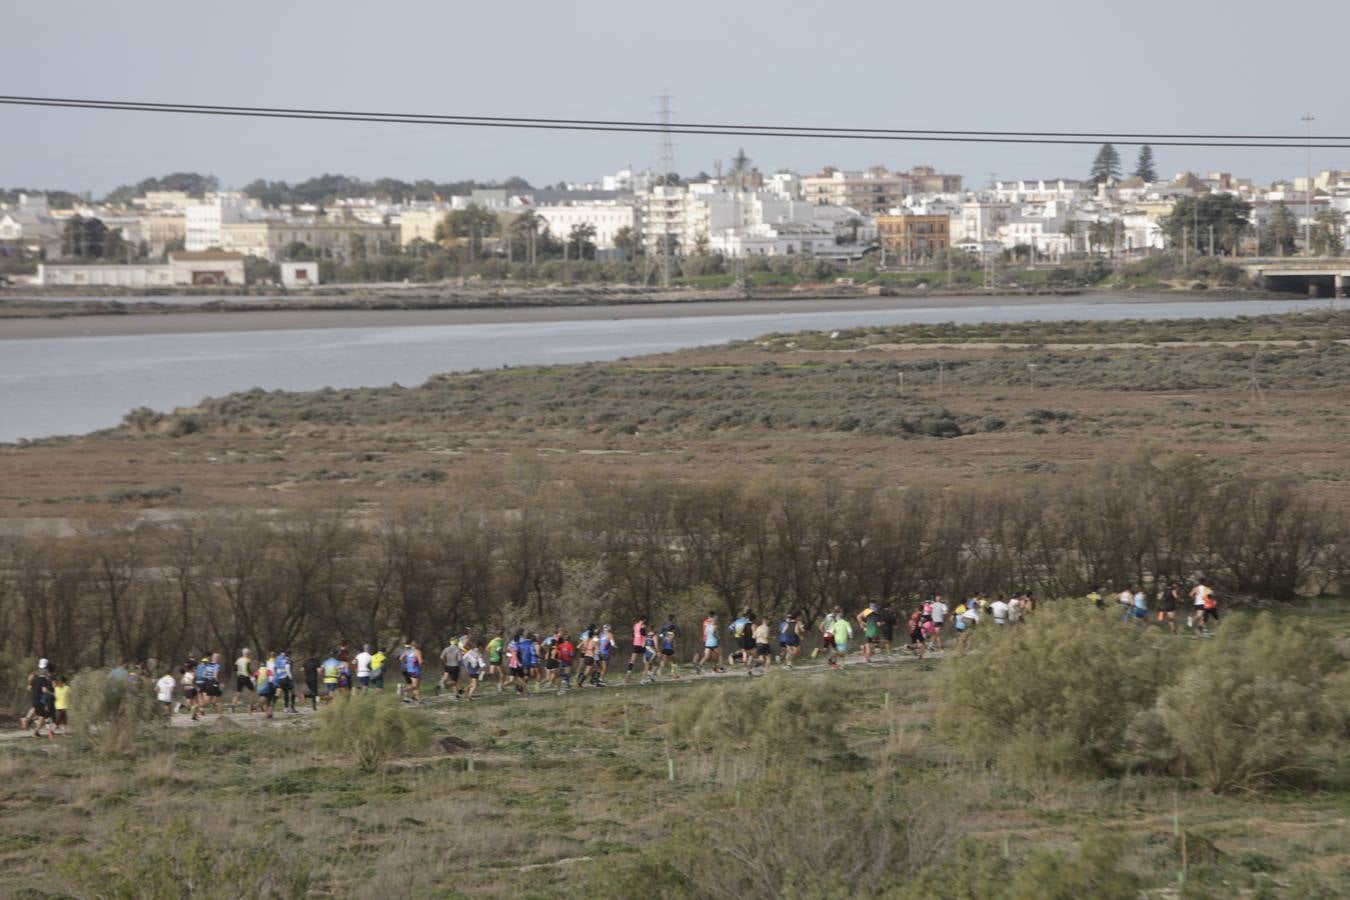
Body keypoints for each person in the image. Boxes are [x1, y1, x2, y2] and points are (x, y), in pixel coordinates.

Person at [656, 615, 681, 679]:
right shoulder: (675, 627)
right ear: (673, 619)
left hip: (664, 646)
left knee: (664, 660)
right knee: (673, 661)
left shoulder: (664, 626)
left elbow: (660, 634)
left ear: (668, 619)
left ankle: (659, 670)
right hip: (670, 648)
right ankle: (674, 673)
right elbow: (679, 635)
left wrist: (663, 637)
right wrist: (675, 637)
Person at [626, 616, 648, 683]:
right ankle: (643, 678)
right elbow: (643, 634)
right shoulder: (643, 626)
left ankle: (628, 674)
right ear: (643, 620)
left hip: (636, 644)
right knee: (646, 662)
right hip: (642, 645)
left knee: (632, 660)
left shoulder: (635, 625)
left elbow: (633, 634)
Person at [231, 648, 255, 713]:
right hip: (245, 677)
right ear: (247, 654)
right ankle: (251, 705)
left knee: (238, 692)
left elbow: (235, 669)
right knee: (252, 690)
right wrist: (252, 675)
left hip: (239, 677)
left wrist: (239, 670)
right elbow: (248, 669)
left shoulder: (238, 660)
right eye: (249, 653)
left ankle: (233, 704)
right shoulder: (247, 660)